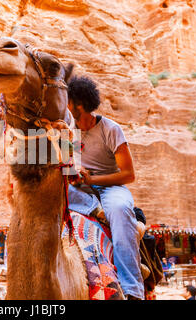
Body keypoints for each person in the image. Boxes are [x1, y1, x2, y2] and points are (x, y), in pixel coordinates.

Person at [66, 76, 143, 299]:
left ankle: (132, 289)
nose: (67, 110)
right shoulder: (68, 130)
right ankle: (93, 207)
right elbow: (64, 164)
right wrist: (74, 173)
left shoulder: (111, 129)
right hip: (81, 188)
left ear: (80, 105)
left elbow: (129, 175)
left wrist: (93, 181)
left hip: (111, 188)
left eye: (69, 105)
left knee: (120, 211)